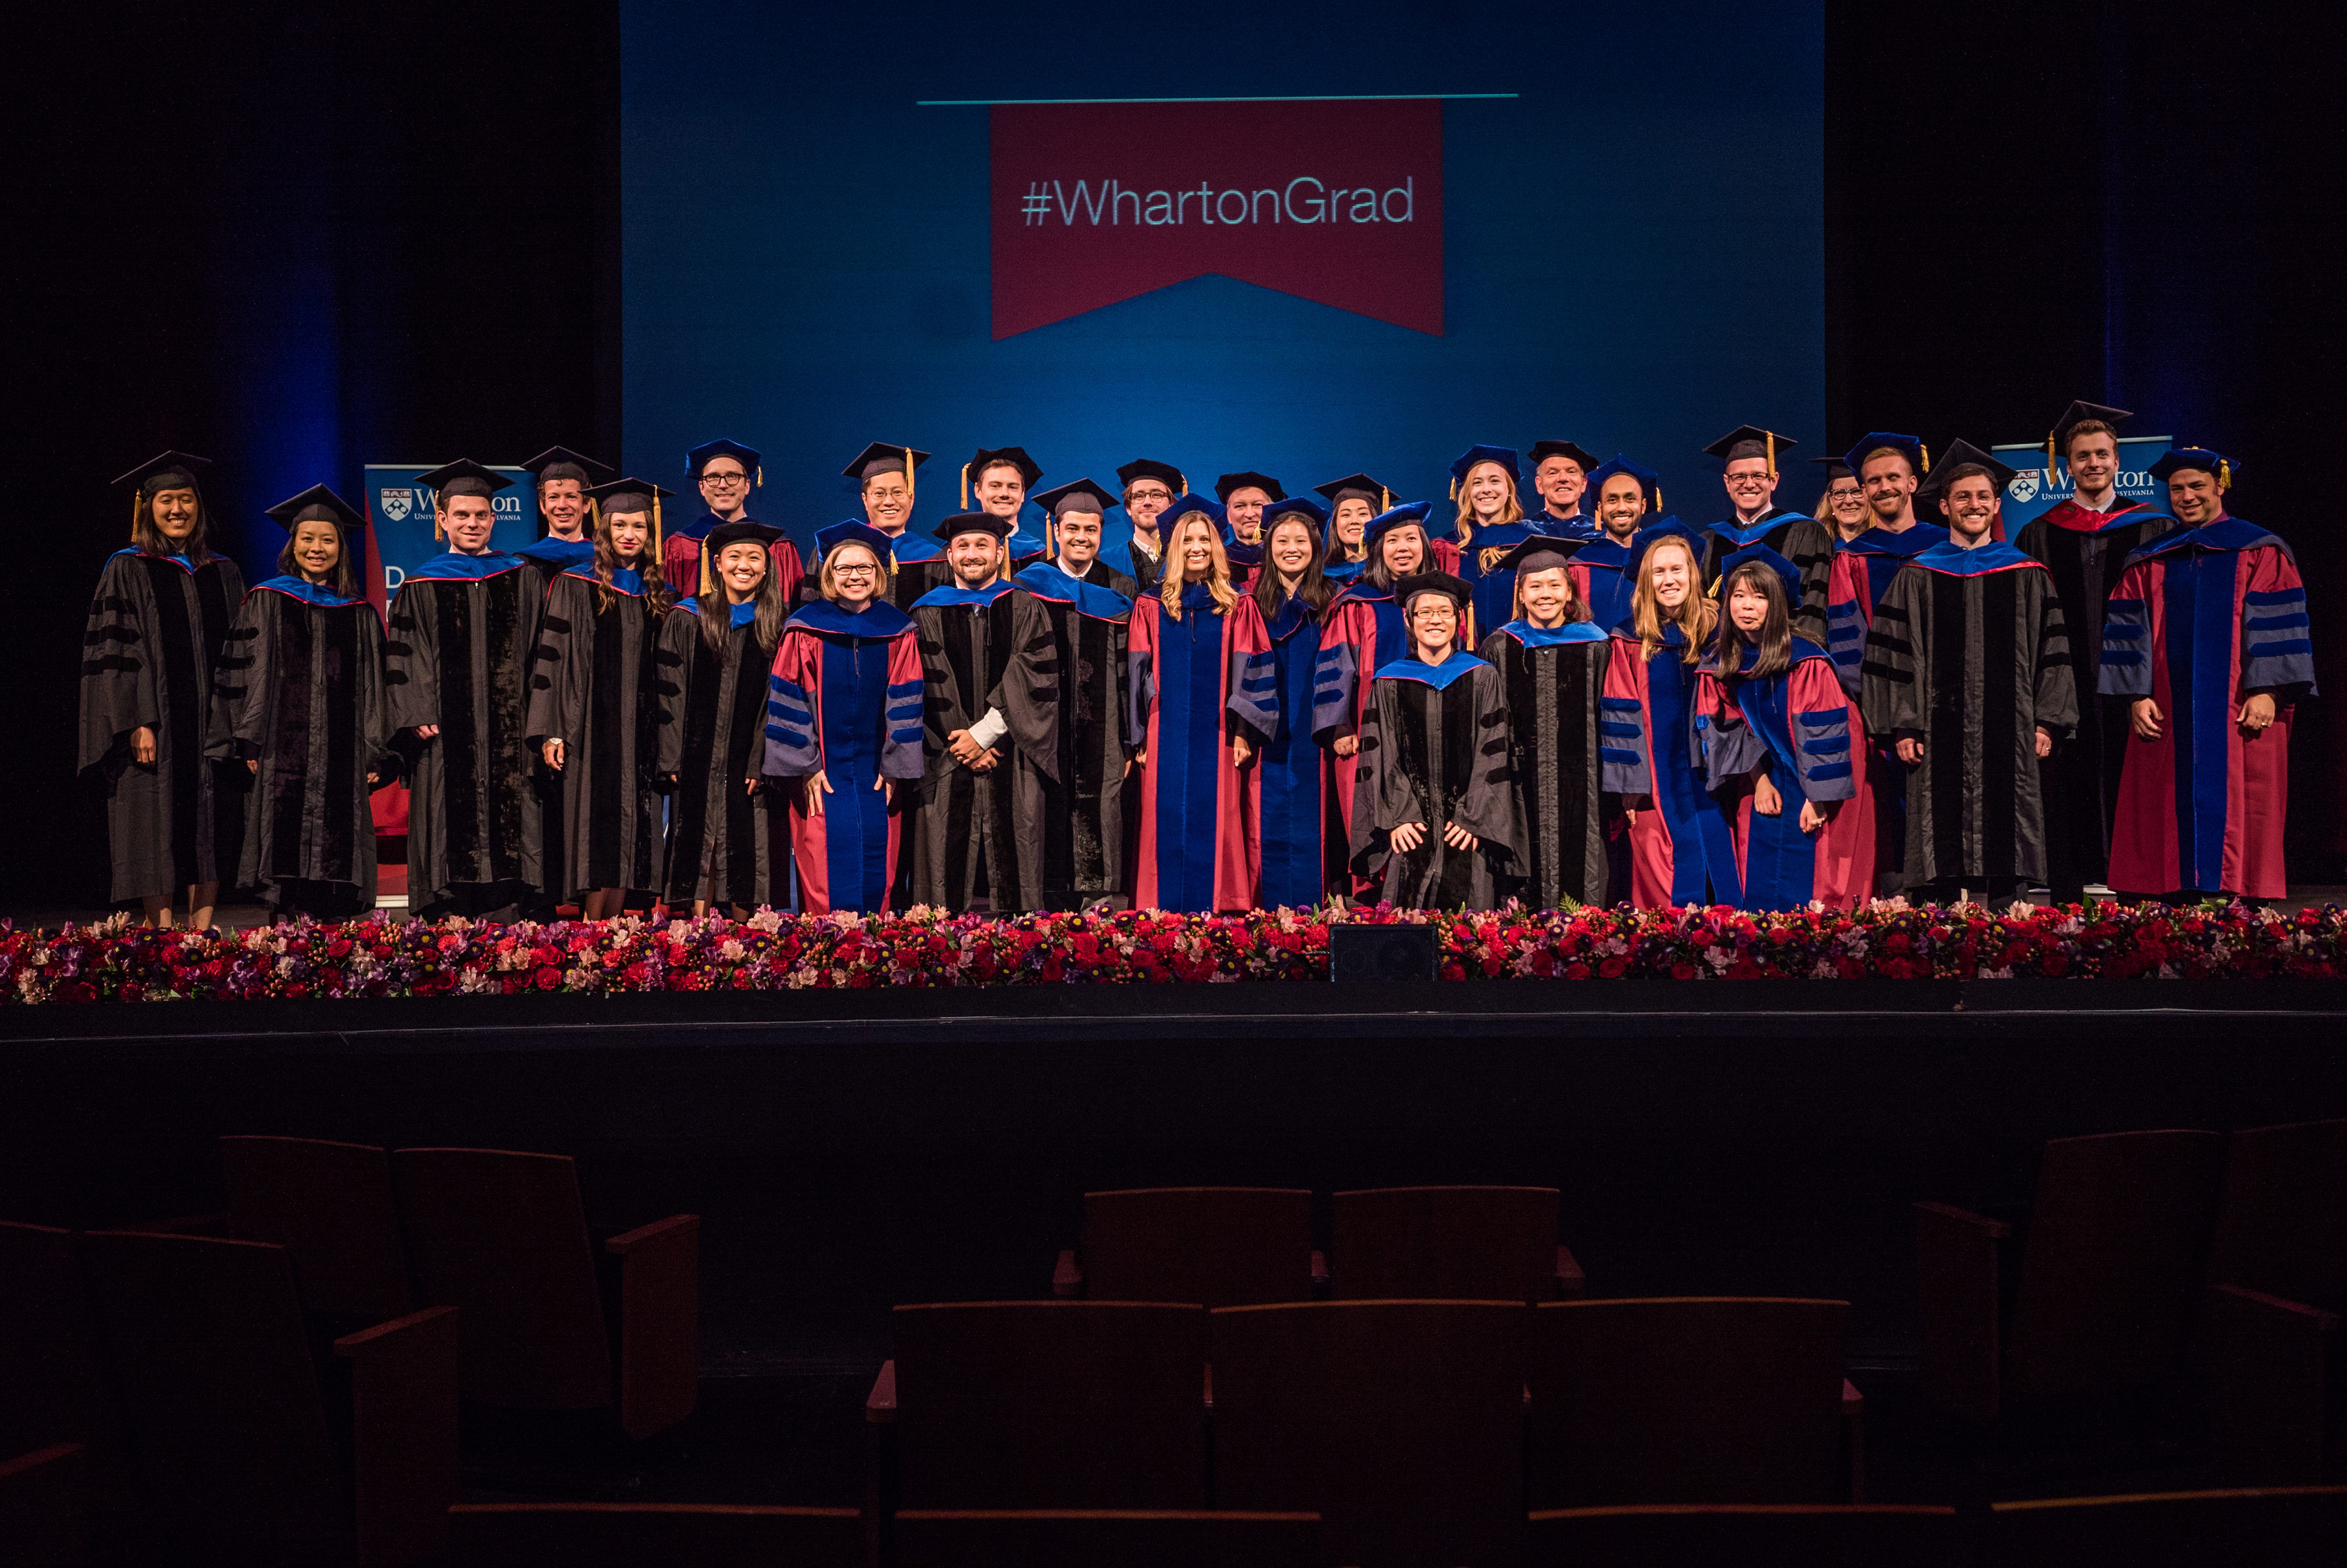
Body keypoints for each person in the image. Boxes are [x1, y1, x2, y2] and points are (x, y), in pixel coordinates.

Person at [1861, 442, 2078, 903]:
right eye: (1962, 497)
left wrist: (2048, 720)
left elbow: (2052, 652)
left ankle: (2005, 933)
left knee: (2007, 848)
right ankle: (1940, 939)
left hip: (2013, 729)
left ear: (1997, 504)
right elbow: (1893, 654)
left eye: (1983, 497)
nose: (1973, 505)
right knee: (1939, 854)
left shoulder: (2027, 573)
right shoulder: (1918, 574)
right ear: (1944, 505)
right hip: (1935, 734)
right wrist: (1903, 723)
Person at [2101, 448, 2311, 903]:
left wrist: (2268, 691)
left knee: (2248, 799)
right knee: (2161, 800)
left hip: (2240, 705)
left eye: (2197, 486)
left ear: (2220, 486)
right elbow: (2129, 632)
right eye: (2177, 488)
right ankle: (2174, 900)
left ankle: (2247, 906)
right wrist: (2136, 696)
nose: (2187, 496)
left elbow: (2279, 629)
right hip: (2166, 709)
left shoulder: (2260, 551)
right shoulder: (2151, 558)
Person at [206, 484, 394, 921]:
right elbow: (245, 673)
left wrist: (373, 749)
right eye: (307, 538)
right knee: (284, 857)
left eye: (328, 539)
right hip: (279, 751)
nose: (317, 548)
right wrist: (248, 740)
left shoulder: (359, 611)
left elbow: (374, 688)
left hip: (343, 756)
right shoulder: (267, 599)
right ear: (293, 544)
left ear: (340, 548)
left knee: (337, 853)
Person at [2015, 401, 2177, 902]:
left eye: (2102, 454)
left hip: (2131, 679)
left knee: (2135, 767)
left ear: (2116, 461)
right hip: (2064, 679)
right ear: (2068, 466)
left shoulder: (2153, 527)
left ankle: (2133, 870)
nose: (2093, 463)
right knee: (2066, 771)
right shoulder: (2040, 531)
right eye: (2082, 456)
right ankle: (2072, 870)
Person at [80, 452, 247, 928]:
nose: (178, 509)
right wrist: (138, 721)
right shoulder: (128, 568)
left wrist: (239, 723)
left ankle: (202, 930)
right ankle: (162, 932)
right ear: (148, 507)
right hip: (157, 726)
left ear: (200, 506)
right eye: (167, 500)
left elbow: (243, 651)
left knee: (211, 822)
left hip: (213, 725)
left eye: (187, 498)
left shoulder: (224, 570)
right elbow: (119, 651)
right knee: (156, 821)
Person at [383, 460, 546, 919]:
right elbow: (403, 656)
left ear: (494, 519)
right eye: (462, 515)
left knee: (514, 823)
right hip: (443, 734)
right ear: (442, 519)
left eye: (480, 515)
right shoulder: (421, 583)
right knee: (446, 824)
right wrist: (415, 711)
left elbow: (541, 652)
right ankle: (448, 916)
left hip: (510, 735)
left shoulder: (522, 577)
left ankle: (508, 909)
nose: (472, 523)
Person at [528, 478, 672, 921]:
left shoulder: (657, 595)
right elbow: (550, 660)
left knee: (633, 835)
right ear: (604, 529)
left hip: (642, 735)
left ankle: (610, 929)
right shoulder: (575, 585)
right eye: (621, 525)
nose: (630, 535)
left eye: (640, 527)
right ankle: (592, 927)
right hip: (591, 730)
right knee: (601, 831)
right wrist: (550, 728)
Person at [765, 535, 926, 914]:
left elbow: (907, 700)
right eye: (844, 568)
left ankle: (874, 952)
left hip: (877, 774)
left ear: (879, 573)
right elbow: (790, 700)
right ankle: (825, 956)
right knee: (822, 857)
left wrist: (896, 766)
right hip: (822, 774)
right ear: (829, 574)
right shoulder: (805, 629)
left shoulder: (898, 630)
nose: (855, 576)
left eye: (864, 567)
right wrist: (806, 767)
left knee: (878, 853)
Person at [908, 510, 1058, 912]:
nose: (972, 554)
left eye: (982, 545)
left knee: (1018, 861)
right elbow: (925, 684)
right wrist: (964, 741)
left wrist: (984, 736)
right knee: (943, 871)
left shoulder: (1025, 606)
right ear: (950, 554)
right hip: (945, 753)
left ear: (999, 551)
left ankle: (1022, 954)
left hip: (1011, 752)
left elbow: (1035, 677)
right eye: (963, 546)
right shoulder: (926, 612)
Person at [1348, 572, 1526, 908]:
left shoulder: (1482, 677)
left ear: (1458, 619)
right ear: (1409, 619)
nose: (1435, 620)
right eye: (1425, 612)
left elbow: (1495, 751)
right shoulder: (1388, 682)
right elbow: (1379, 754)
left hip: (1467, 829)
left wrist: (1474, 817)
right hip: (1410, 828)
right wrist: (1398, 817)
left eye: (1445, 612)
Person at [1699, 561, 1866, 911]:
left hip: (1825, 775)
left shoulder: (1806, 662)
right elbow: (1732, 730)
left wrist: (1817, 797)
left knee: (1816, 869)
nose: (1747, 606)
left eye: (1759, 597)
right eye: (1739, 596)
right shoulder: (1726, 660)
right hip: (1769, 769)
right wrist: (1759, 781)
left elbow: (1826, 736)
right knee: (1759, 847)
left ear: (1776, 604)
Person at [1821, 432, 1947, 895]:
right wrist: (1880, 709)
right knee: (1888, 808)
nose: (1883, 487)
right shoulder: (1851, 556)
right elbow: (1846, 639)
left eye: (1893, 477)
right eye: (1873, 481)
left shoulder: (1945, 549)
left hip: (1945, 700)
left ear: (1913, 482)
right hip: (1881, 711)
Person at [1127, 497, 1268, 911]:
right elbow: (1138, 675)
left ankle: (1221, 904)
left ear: (1216, 546)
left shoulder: (1238, 605)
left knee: (1219, 816)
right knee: (1163, 818)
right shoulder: (1150, 605)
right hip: (1163, 730)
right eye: (1187, 539)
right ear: (1173, 546)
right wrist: (1140, 736)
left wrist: (1244, 732)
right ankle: (1160, 910)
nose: (1196, 547)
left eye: (1204, 539)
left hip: (1220, 733)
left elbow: (1252, 671)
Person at [1313, 500, 1462, 890]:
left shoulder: (1442, 605)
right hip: (1368, 735)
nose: (1402, 547)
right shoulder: (1357, 602)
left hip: (1434, 734)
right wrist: (1340, 725)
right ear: (1376, 550)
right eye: (1391, 540)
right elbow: (1335, 667)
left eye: (1411, 538)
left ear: (1424, 545)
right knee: (1371, 814)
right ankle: (1373, 900)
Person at [657, 518, 795, 916]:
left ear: (767, 566)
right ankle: (698, 939)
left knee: (746, 843)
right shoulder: (687, 617)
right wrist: (672, 756)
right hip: (695, 755)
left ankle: (743, 945)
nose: (744, 565)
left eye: (755, 557)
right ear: (717, 564)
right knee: (700, 842)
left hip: (749, 758)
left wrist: (761, 759)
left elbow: (778, 701)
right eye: (734, 556)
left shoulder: (778, 625)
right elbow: (670, 689)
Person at [1601, 532, 1739, 908]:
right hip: (1655, 784)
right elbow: (1620, 714)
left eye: (1677, 569)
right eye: (1658, 572)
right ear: (1647, 581)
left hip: (1720, 777)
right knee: (1665, 862)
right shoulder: (1629, 639)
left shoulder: (1721, 631)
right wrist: (1631, 784)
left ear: (1693, 575)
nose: (1669, 579)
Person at [1017, 480, 1138, 908]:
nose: (1081, 538)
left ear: (1101, 533)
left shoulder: (1121, 587)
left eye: (1091, 530)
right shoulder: (1030, 584)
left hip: (1102, 728)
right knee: (1044, 806)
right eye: (1073, 529)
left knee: (1100, 806)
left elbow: (1133, 667)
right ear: (1056, 530)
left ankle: (1098, 899)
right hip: (1044, 727)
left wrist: (1130, 737)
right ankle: (1046, 904)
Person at [1479, 540, 1612, 908]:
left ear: (1569, 591)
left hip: (1584, 783)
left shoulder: (1596, 645)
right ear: (1520, 594)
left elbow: (1614, 713)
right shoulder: (1498, 647)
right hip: (1519, 782)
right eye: (1535, 586)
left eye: (1554, 585)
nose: (1545, 594)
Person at [1238, 496, 1336, 908]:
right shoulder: (1248, 601)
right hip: (1266, 729)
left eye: (1301, 539)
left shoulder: (1335, 599)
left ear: (1315, 546)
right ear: (1268, 546)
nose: (1291, 548)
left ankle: (1317, 918)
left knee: (1317, 818)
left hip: (1316, 730)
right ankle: (1267, 917)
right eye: (1282, 540)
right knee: (1265, 816)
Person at [1698, 426, 1833, 634]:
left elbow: (1812, 607)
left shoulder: (1805, 532)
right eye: (1739, 477)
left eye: (1758, 476)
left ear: (1774, 480)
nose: (1749, 484)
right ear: (1727, 483)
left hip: (1783, 655)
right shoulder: (1709, 541)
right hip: (1721, 657)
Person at [664, 439, 804, 606]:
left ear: (747, 485)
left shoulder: (778, 547)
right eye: (713, 478)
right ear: (701, 487)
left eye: (732, 476)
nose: (723, 485)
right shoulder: (679, 546)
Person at [1572, 454, 1703, 631]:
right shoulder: (1580, 562)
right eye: (1612, 500)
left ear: (1643, 505)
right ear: (1600, 508)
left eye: (1630, 499)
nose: (1621, 507)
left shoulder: (1663, 559)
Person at [828, 442, 943, 608]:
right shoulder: (838, 555)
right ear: (865, 500)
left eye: (898, 492)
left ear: (911, 499)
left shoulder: (935, 558)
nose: (889, 501)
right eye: (879, 494)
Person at [1449, 444, 1530, 636]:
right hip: (1461, 653)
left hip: (1517, 648)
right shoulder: (1449, 546)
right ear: (1468, 491)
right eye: (1477, 483)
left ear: (1509, 489)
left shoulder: (1528, 544)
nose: (1486, 489)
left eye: (1494, 481)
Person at [514, 445, 613, 580]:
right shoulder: (525, 562)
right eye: (553, 497)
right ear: (543, 506)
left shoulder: (604, 560)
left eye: (571, 496)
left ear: (586, 504)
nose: (562, 505)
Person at [960, 446, 1048, 569]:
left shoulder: (1040, 556)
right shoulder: (958, 553)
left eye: (1012, 487)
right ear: (978, 490)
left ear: (1023, 494)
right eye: (995, 486)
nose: (1004, 494)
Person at [1110, 458, 1185, 595]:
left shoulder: (1188, 558)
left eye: (1157, 495)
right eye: (1139, 496)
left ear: (1172, 505)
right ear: (1128, 508)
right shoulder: (1107, 562)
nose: (1147, 502)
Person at [1312, 472, 1391, 585]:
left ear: (1375, 520)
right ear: (1335, 523)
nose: (1354, 521)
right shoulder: (1321, 576)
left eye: (1363, 514)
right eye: (1346, 515)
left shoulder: (1389, 569)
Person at [1527, 439, 1602, 535]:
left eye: (1571, 472)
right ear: (1540, 485)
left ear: (1584, 483)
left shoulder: (1601, 535)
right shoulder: (1524, 533)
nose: (1563, 478)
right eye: (1553, 473)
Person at [1809, 457, 1869, 542]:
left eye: (1857, 492)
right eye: (1840, 493)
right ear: (1831, 499)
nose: (1848, 501)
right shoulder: (1816, 543)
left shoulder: (1883, 543)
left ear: (1869, 496)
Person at [1217, 471, 1284, 546]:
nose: (1250, 514)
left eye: (1258, 505)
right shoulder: (1215, 557)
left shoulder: (1287, 554)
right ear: (1228, 515)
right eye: (1240, 506)